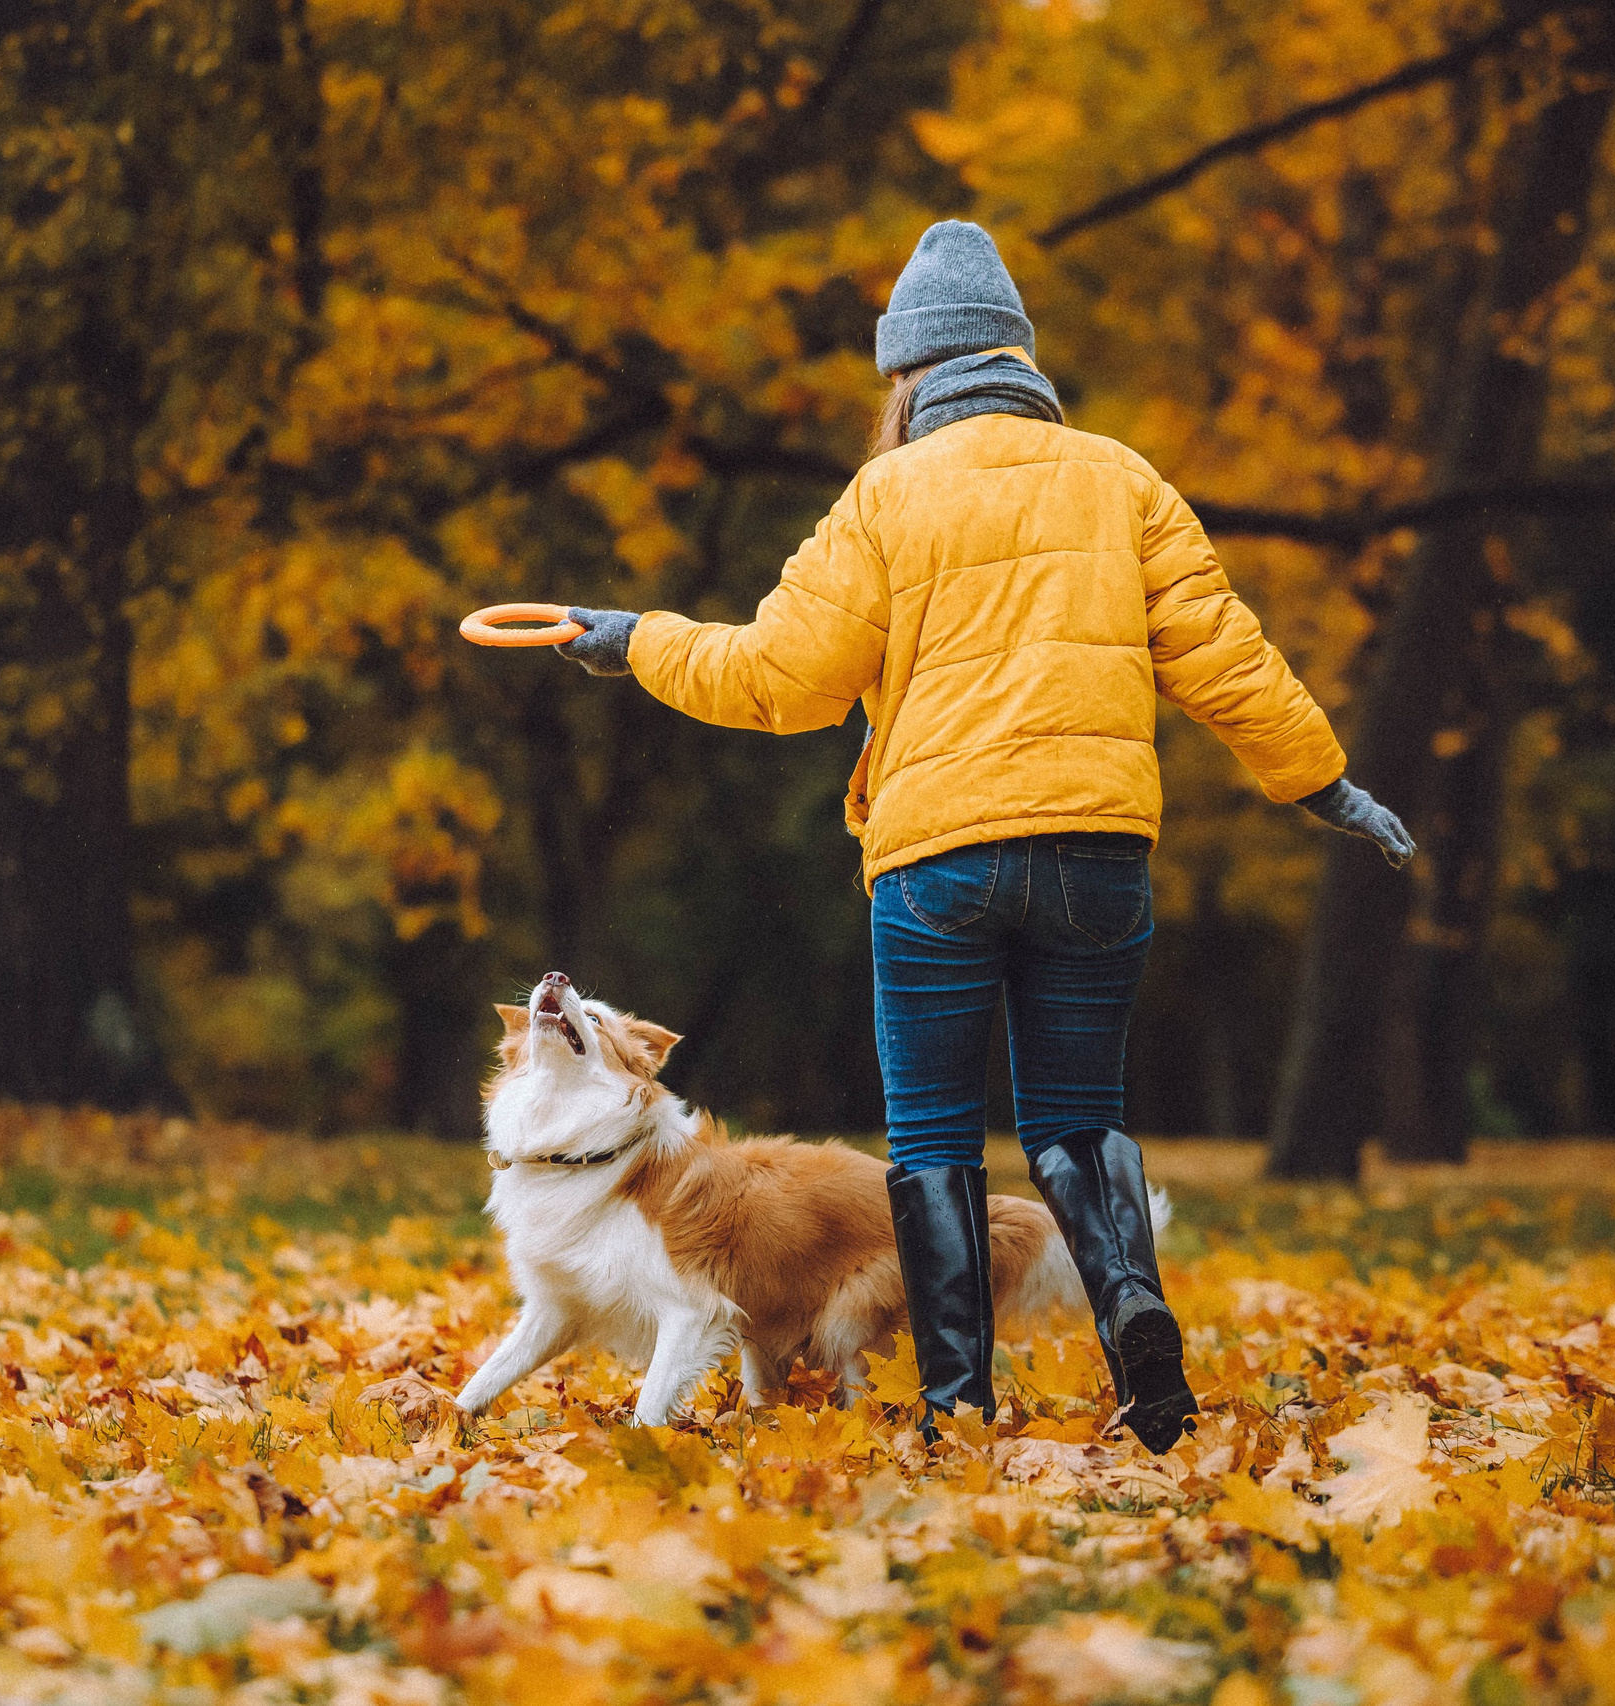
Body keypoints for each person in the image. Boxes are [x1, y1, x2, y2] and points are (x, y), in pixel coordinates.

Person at [551, 220, 1413, 1450]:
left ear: (908, 373)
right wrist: (1323, 784)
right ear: (1017, 358)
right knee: (1078, 1116)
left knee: (934, 1137)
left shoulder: (885, 496)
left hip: (936, 864)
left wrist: (636, 639)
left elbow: (778, 677)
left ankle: (957, 1401)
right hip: (1096, 853)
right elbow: (1228, 659)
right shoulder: (1121, 479)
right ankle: (1132, 1312)